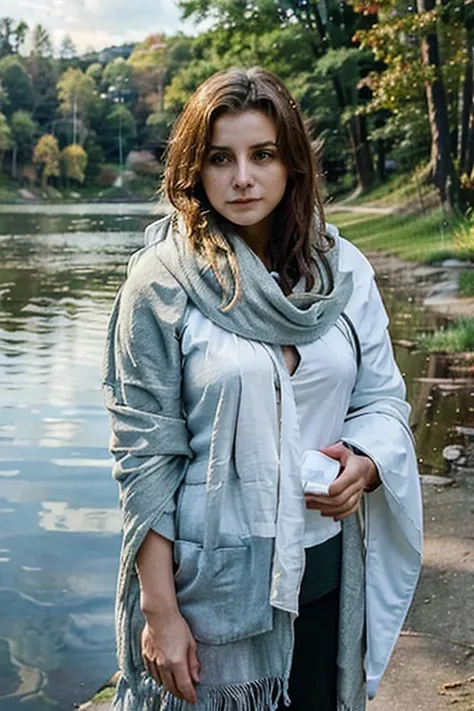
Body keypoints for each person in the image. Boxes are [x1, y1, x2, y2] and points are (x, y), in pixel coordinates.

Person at [102, 67, 423, 711]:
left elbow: (383, 400)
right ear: (195, 168)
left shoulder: (343, 268)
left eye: (263, 155)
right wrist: (160, 613)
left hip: (326, 571)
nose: (242, 177)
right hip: (208, 588)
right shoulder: (160, 284)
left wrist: (363, 462)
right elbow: (145, 460)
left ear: (292, 164)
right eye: (221, 158)